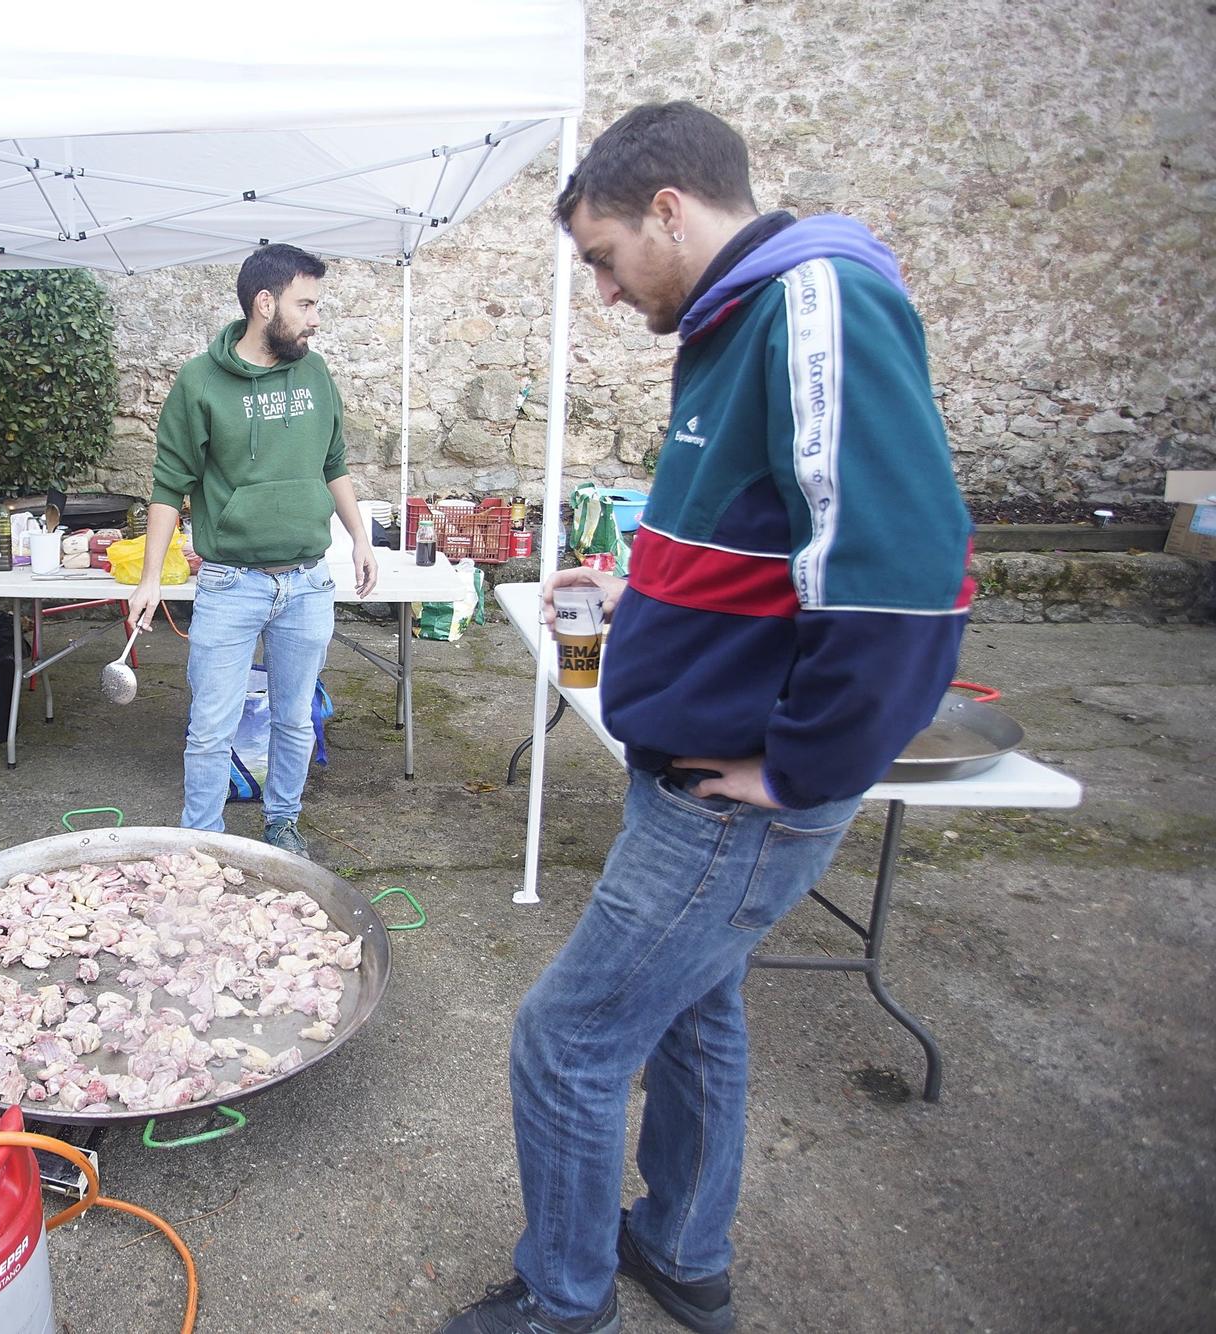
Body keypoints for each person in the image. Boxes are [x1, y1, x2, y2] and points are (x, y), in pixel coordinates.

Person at [439, 103, 973, 1334]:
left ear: (668, 209)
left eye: (602, 257)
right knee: (690, 1010)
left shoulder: (814, 302)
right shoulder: (734, 322)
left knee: (563, 1041)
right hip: (687, 764)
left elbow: (900, 570)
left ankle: (562, 1299)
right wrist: (646, 590)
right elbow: (774, 532)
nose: (605, 290)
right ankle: (680, 1247)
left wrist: (803, 769)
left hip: (727, 798)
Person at [126, 244, 378, 857]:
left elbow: (333, 463)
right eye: (306, 303)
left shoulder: (314, 372)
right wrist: (150, 578)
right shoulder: (199, 381)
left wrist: (360, 538)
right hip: (230, 584)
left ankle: (281, 823)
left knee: (295, 721)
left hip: (307, 581)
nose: (316, 318)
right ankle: (202, 844)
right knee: (211, 727)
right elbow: (169, 484)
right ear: (265, 304)